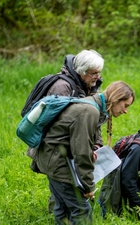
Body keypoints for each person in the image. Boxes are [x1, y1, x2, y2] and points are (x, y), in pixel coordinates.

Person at [28, 81, 135, 225]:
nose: (125, 111)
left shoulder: (92, 104)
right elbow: (82, 153)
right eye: (125, 105)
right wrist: (88, 186)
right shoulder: (90, 111)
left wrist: (92, 148)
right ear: (115, 98)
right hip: (57, 160)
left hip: (49, 156)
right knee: (81, 209)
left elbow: (75, 139)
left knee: (62, 205)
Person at [45, 49, 107, 212]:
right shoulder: (62, 88)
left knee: (71, 179)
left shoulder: (91, 85)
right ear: (82, 72)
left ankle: (63, 214)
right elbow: (56, 123)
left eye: (99, 72)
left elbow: (95, 119)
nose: (98, 77)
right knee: (61, 180)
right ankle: (57, 213)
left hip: (76, 140)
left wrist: (96, 144)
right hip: (58, 145)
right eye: (94, 73)